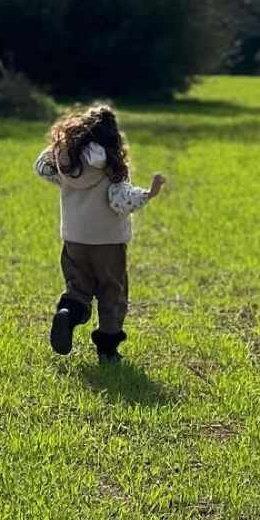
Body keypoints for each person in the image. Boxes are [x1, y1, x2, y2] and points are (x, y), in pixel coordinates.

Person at [34, 103, 165, 362]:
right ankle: (107, 348)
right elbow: (121, 201)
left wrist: (62, 149)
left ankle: (69, 315)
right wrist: (148, 194)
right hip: (108, 244)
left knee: (78, 287)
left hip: (74, 240)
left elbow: (42, 166)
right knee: (111, 293)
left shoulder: (69, 167)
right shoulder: (111, 169)